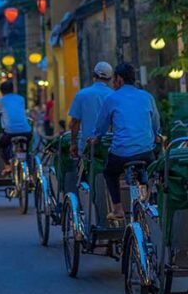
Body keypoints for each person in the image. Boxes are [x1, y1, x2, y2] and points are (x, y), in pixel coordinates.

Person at [88, 62, 160, 222]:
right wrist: (157, 134)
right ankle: (151, 200)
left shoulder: (112, 98)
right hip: (145, 152)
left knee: (110, 172)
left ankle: (118, 209)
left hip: (121, 154)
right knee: (152, 170)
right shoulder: (147, 96)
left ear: (119, 80)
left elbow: (101, 126)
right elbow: (155, 122)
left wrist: (96, 137)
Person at [68, 61, 113, 159]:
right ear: (109, 79)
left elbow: (75, 122)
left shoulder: (82, 94)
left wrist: (73, 144)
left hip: (87, 145)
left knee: (84, 170)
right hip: (109, 145)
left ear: (94, 76)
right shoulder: (114, 95)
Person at [0, 81, 32, 172]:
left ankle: (7, 165)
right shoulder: (20, 99)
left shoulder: (0, 101)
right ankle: (28, 164)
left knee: (0, 145)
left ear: (1, 91)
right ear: (13, 89)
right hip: (26, 131)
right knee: (26, 146)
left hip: (10, 132)